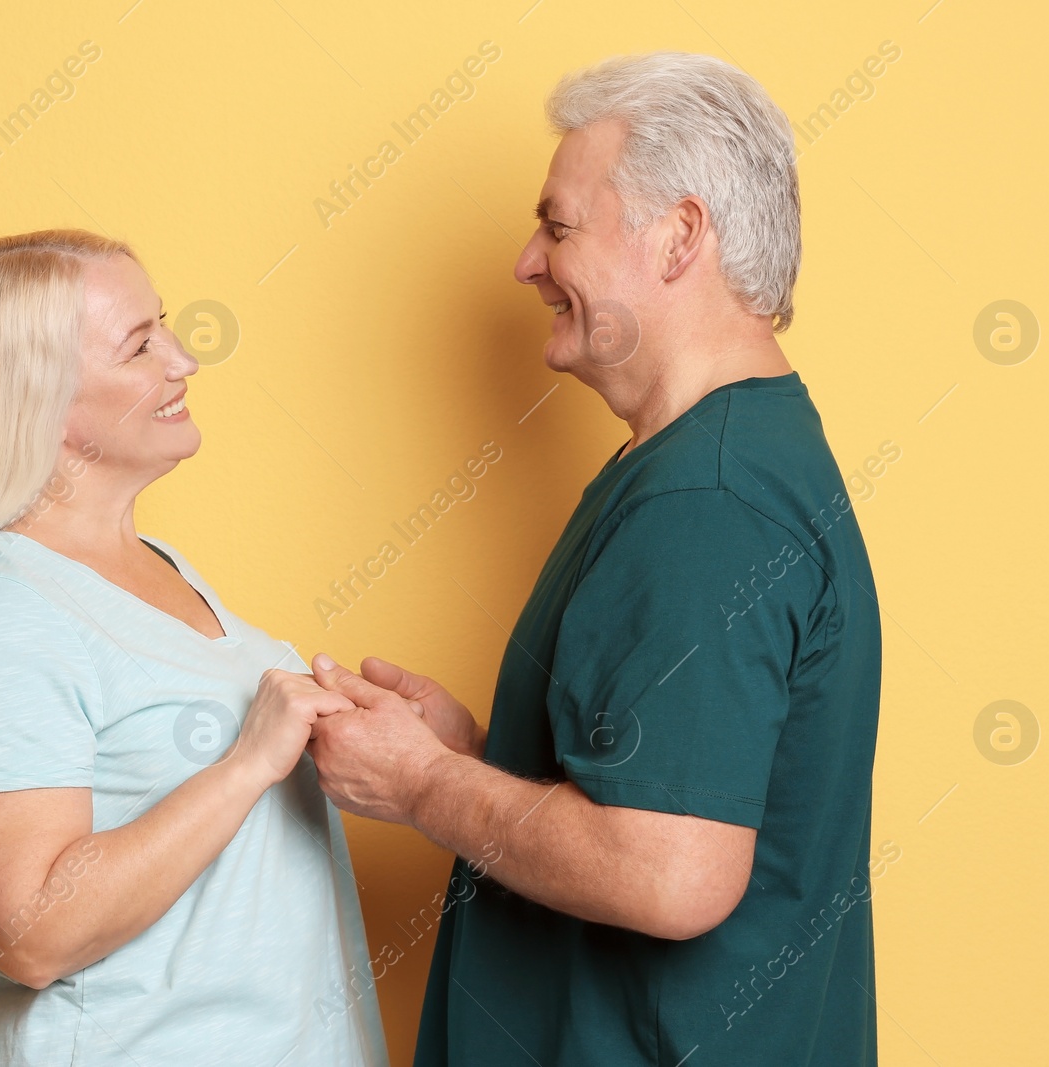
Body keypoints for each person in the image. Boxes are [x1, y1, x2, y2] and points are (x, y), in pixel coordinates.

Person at [305, 52, 884, 1065]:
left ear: (679, 238)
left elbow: (668, 870)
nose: (527, 262)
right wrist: (476, 757)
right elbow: (660, 793)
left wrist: (420, 785)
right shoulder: (715, 463)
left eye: (558, 226)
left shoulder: (709, 501)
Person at [0, 230, 387, 1066]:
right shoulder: (2, 615)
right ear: (44, 402)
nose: (183, 360)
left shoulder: (159, 570)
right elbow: (30, 932)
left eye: (166, 328)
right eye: (141, 345)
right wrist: (248, 763)